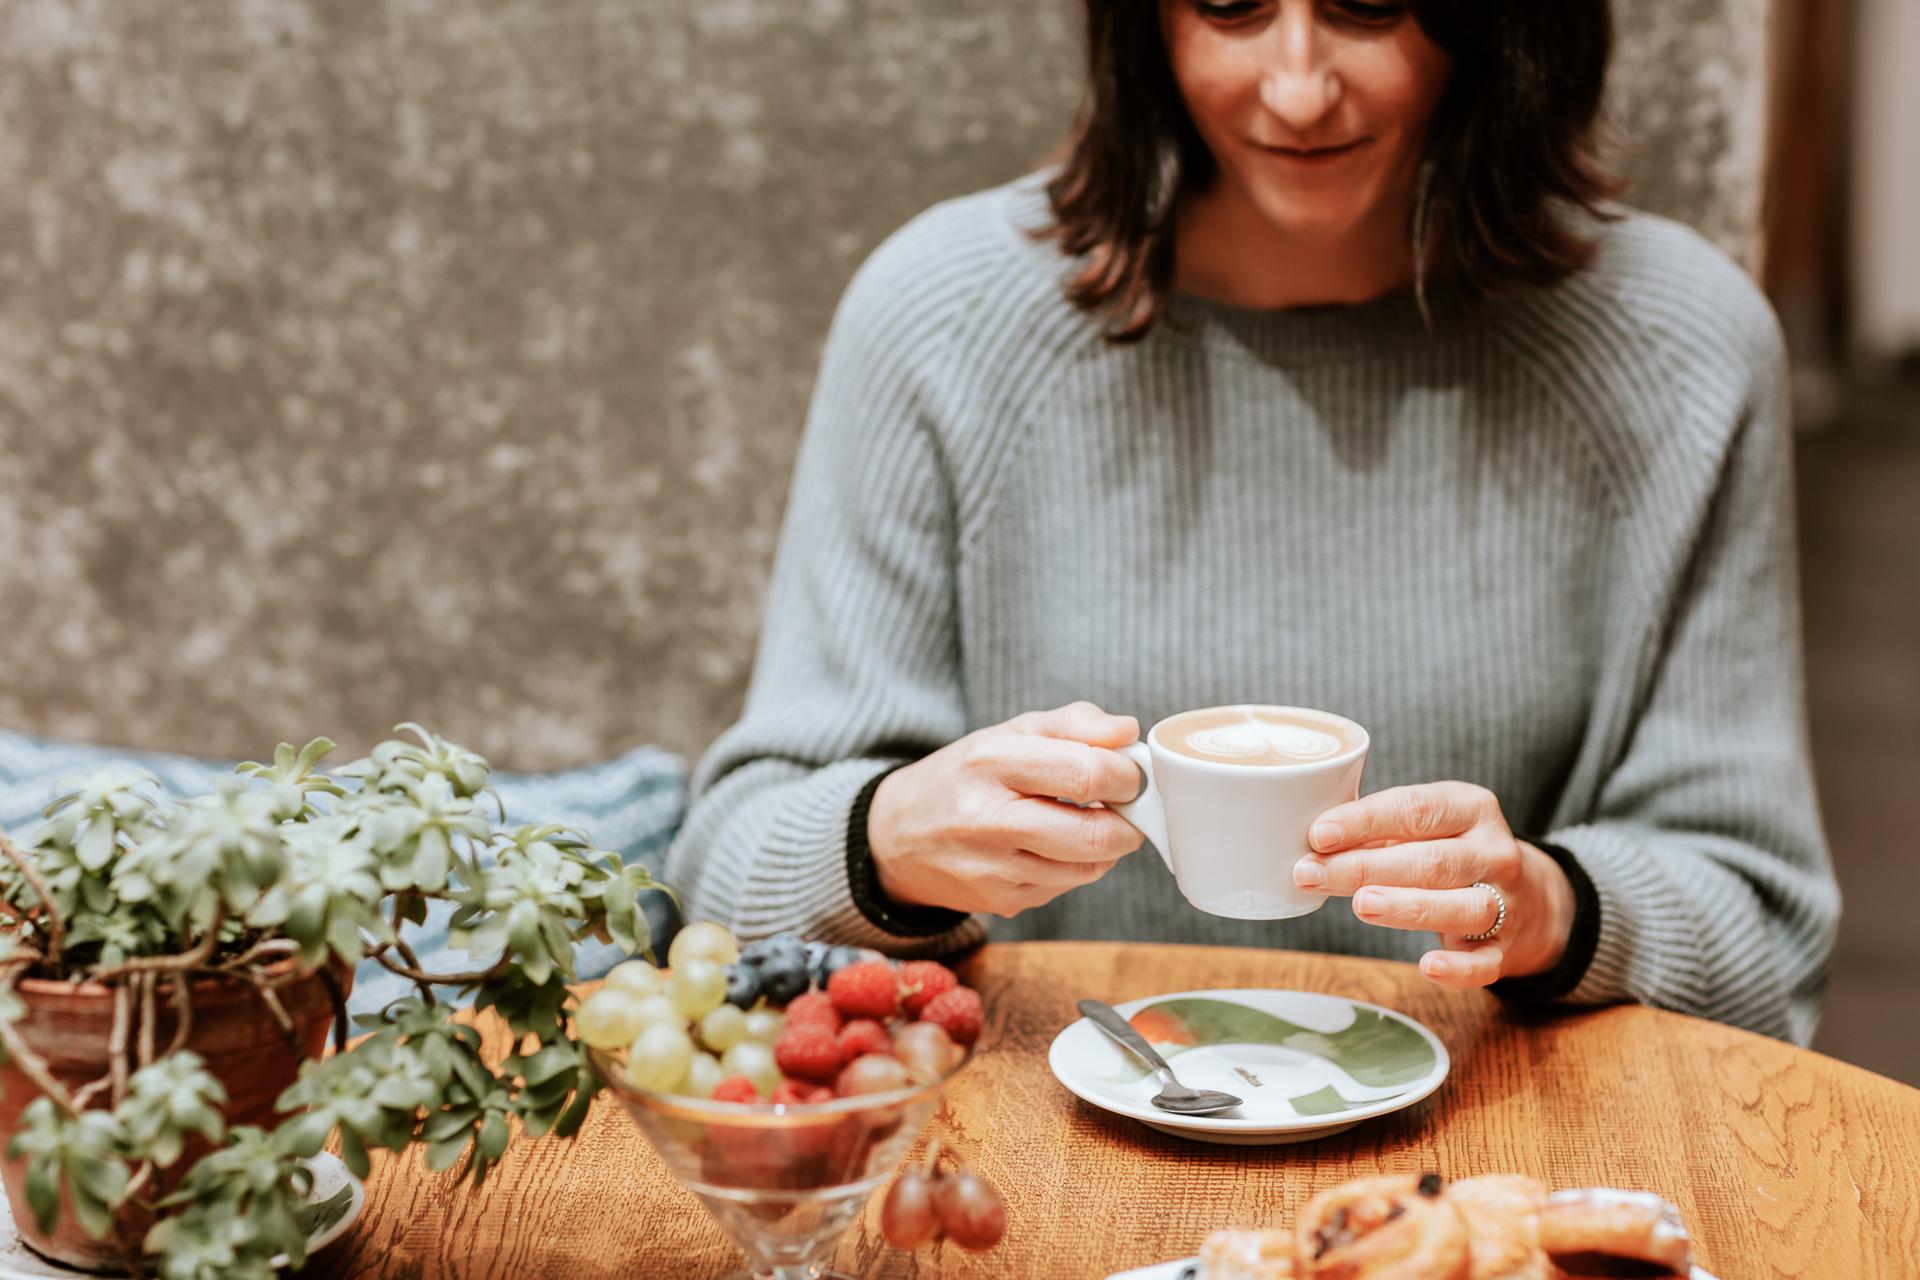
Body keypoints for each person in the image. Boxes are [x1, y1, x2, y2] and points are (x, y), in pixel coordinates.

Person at [664, 0, 1840, 1043]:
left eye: (1369, 8)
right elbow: (724, 875)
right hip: (1033, 1160)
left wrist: (1553, 909)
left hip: (1485, 1177)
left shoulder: (1677, 347)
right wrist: (885, 844)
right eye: (1228, 6)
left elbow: (1762, 945)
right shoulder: (941, 318)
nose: (1295, 86)